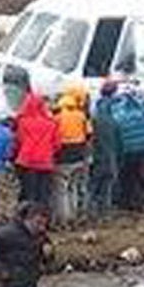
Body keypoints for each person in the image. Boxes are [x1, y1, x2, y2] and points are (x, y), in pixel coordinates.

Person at [113, 82, 144, 210]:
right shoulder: (143, 112)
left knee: (126, 176)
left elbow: (118, 135)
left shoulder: (118, 114)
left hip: (127, 151)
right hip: (143, 150)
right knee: (138, 176)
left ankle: (125, 201)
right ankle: (138, 201)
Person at [51, 82, 93, 225]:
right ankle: (74, 216)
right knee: (74, 188)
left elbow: (53, 139)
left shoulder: (57, 119)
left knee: (61, 191)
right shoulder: (81, 116)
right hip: (79, 156)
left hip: (63, 157)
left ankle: (64, 219)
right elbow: (89, 134)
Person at [12, 88, 58, 209]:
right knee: (43, 194)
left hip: (27, 161)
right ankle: (42, 221)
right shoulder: (51, 123)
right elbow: (56, 144)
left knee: (28, 193)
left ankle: (27, 220)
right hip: (45, 161)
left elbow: (19, 141)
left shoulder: (22, 122)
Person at [88, 83, 122, 216]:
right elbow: (119, 142)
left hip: (97, 156)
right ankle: (105, 211)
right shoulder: (114, 119)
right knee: (107, 185)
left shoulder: (94, 117)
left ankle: (91, 210)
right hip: (110, 156)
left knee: (94, 185)